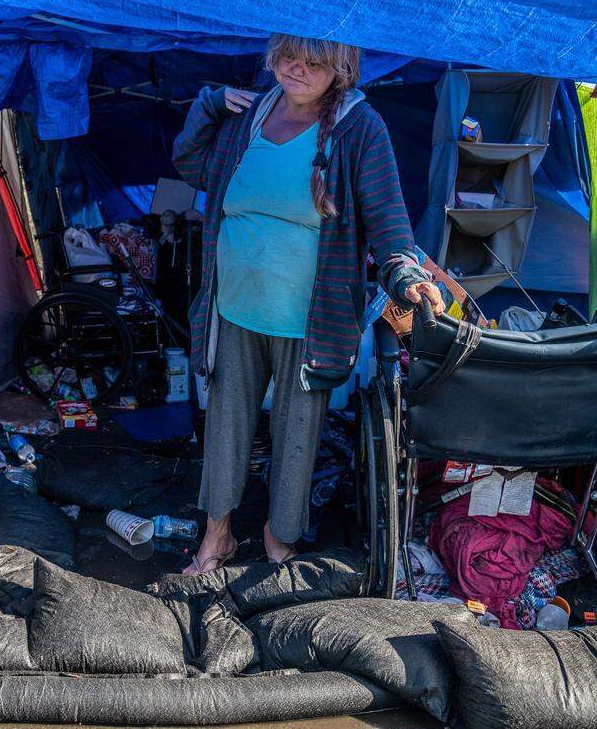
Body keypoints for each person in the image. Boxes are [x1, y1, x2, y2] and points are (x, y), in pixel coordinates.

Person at [171, 34, 444, 575]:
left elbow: (388, 222)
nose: (298, 71)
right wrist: (206, 104)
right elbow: (192, 166)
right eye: (289, 58)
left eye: (315, 63)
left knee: (298, 435)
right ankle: (217, 536)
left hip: (310, 319)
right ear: (273, 59)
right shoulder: (247, 115)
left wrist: (406, 275)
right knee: (225, 424)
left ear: (340, 70)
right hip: (234, 308)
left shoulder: (359, 129)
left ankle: (280, 539)